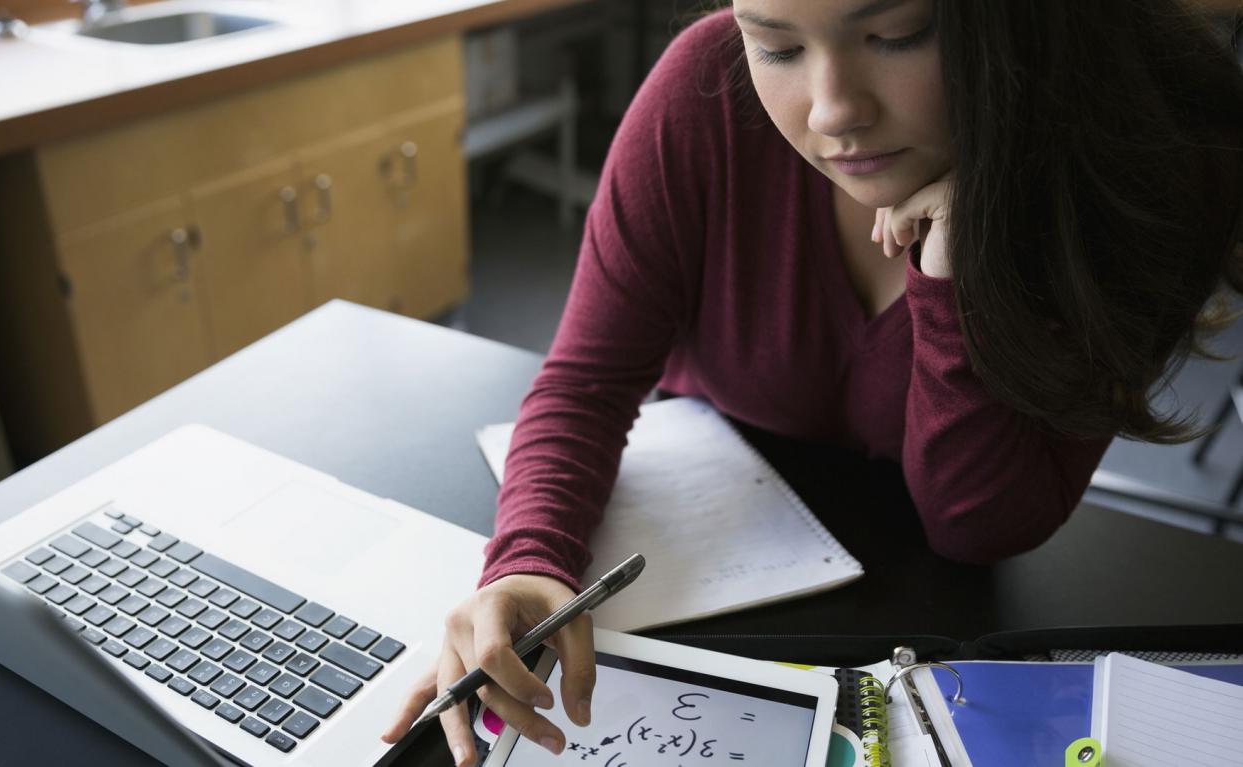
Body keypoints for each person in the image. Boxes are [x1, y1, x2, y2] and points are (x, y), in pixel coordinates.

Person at [384, 0, 1243, 762]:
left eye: (896, 34)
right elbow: (585, 379)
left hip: (943, 605)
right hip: (719, 565)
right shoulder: (704, 96)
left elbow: (979, 522)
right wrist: (529, 559)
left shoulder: (1138, 173)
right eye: (776, 46)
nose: (835, 111)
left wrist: (955, 273)